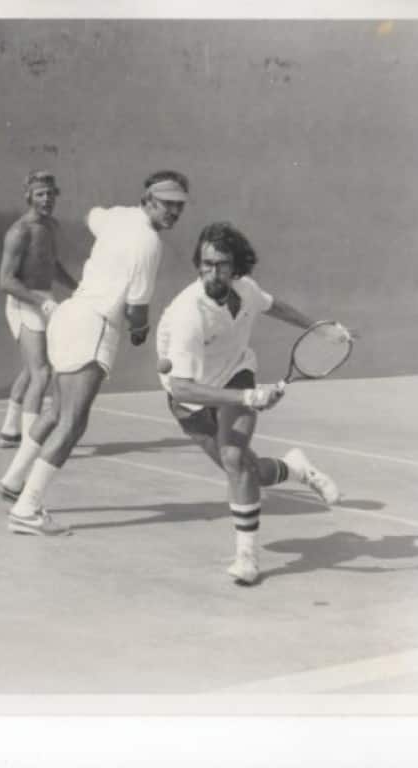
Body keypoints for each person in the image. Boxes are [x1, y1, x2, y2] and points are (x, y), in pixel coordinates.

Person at [155, 221, 355, 585]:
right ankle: (297, 469)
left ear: (236, 267)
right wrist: (248, 397)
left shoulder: (245, 289)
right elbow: (182, 389)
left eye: (222, 265)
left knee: (234, 459)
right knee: (247, 469)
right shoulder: (189, 314)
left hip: (235, 371)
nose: (213, 272)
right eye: (206, 264)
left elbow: (275, 307)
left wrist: (319, 328)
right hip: (190, 396)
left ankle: (246, 556)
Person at [0, 170, 189, 535]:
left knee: (55, 412)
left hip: (68, 317)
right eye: (167, 204)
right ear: (149, 200)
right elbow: (137, 310)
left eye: (179, 207)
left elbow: (92, 215)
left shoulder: (117, 216)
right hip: (95, 327)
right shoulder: (150, 244)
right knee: (73, 423)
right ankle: (27, 509)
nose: (173, 213)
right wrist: (140, 332)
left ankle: (12, 482)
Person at [0, 170, 78, 447]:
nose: (46, 199)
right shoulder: (19, 231)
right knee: (42, 372)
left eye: (50, 194)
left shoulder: (51, 226)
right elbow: (6, 281)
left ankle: (10, 431)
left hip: (44, 300)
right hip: (23, 302)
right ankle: (32, 443)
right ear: (28, 196)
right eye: (40, 194)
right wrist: (41, 302)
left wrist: (77, 288)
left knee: (32, 369)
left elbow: (51, 265)